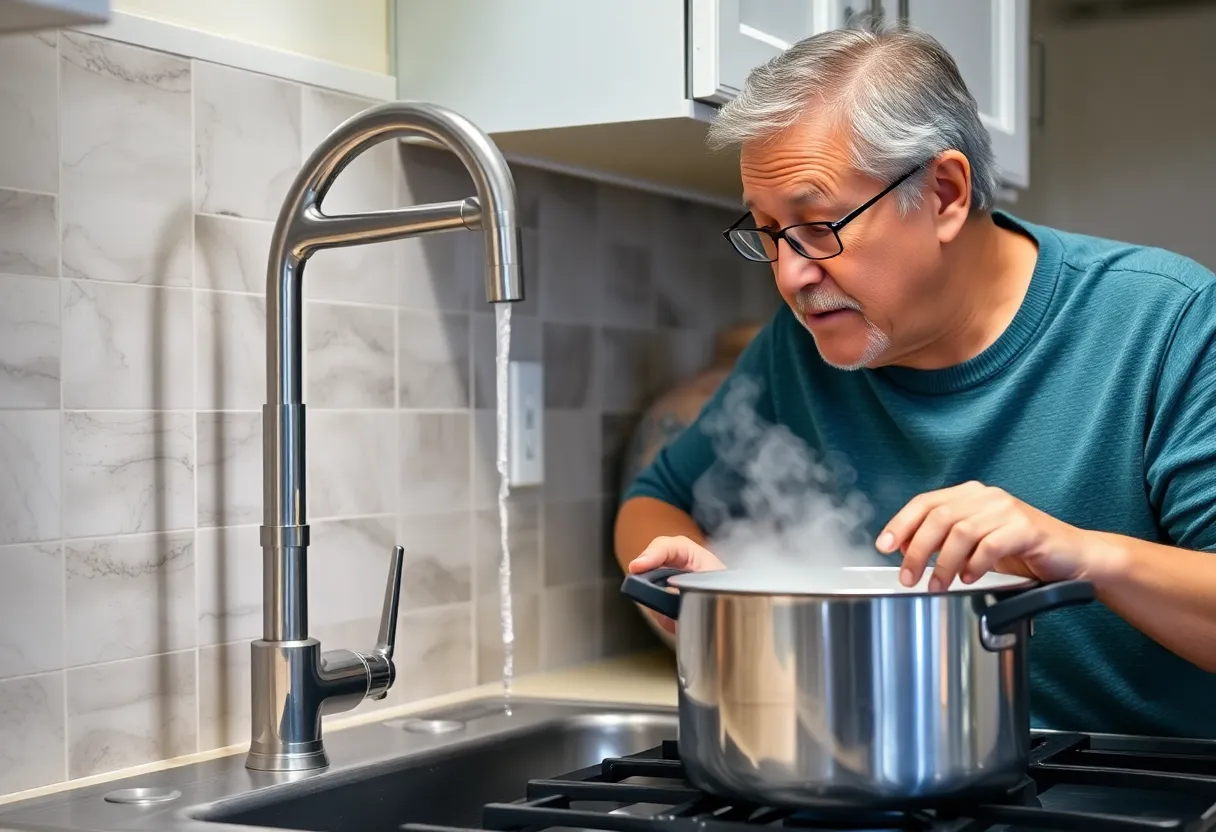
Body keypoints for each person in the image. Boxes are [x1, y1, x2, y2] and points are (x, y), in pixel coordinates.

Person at [614, 19, 1216, 739]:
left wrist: (1080, 552)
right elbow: (653, 502)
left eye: (818, 225)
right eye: (769, 234)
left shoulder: (1167, 322)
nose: (790, 276)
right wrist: (699, 588)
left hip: (1144, 788)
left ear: (945, 193)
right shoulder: (801, 349)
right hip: (891, 775)